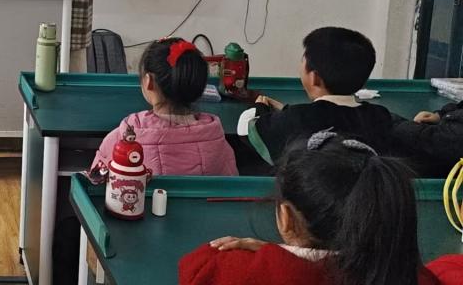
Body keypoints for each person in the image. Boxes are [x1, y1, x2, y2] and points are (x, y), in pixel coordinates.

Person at [179, 131, 442, 285]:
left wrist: (280, 253)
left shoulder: (237, 271)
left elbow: (195, 267)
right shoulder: (411, 275)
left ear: (286, 218)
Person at [91, 38, 236, 176]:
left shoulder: (120, 139)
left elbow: (95, 181)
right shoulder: (219, 144)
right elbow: (231, 187)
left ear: (148, 81)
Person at [247, 27, 393, 163]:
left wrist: (261, 107)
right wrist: (286, 110)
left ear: (314, 78)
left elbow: (256, 130)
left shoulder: (296, 118)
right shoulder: (380, 116)